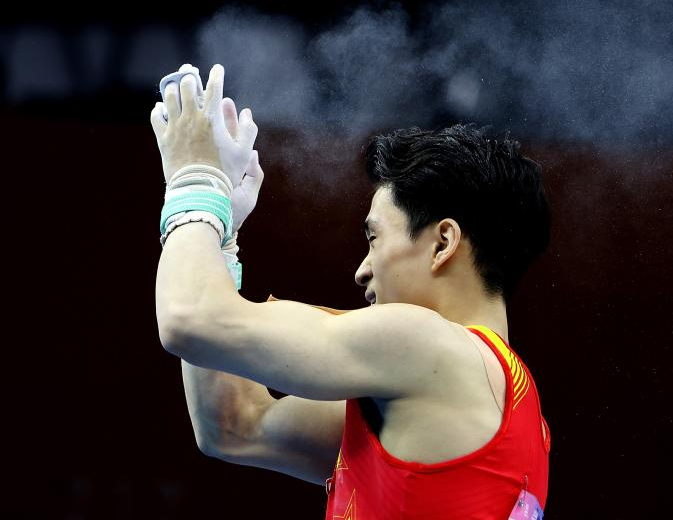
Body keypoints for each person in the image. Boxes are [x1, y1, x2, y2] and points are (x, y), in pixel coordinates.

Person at [150, 63, 552, 519]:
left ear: (443, 243)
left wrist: (196, 182)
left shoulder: (429, 347)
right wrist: (221, 241)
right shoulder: (512, 412)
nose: (362, 271)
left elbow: (190, 320)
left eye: (374, 238)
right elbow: (235, 425)